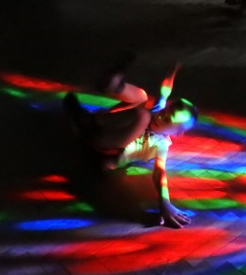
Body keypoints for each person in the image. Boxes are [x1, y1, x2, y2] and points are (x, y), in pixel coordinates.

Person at [64, 61, 196, 229]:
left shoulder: (161, 144)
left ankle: (83, 119)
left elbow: (159, 172)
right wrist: (173, 69)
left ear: (176, 133)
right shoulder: (156, 112)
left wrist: (165, 203)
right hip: (103, 125)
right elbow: (165, 91)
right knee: (142, 97)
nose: (160, 116)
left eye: (167, 119)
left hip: (105, 150)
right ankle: (114, 87)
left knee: (142, 116)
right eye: (164, 112)